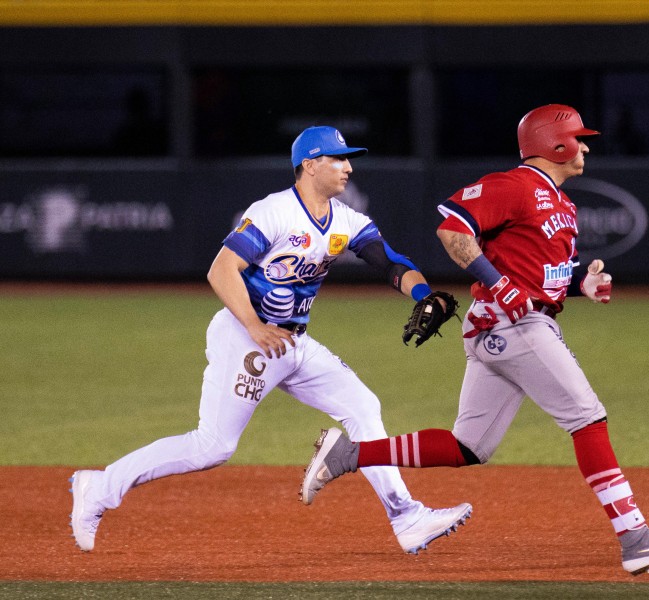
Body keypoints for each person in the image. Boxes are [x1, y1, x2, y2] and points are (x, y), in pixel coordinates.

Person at [300, 105, 649, 576]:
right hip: (515, 326)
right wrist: (498, 282)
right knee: (587, 418)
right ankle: (635, 537)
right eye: (578, 137)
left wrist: (581, 285)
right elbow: (452, 228)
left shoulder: (562, 203)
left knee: (467, 447)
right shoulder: (514, 185)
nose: (585, 146)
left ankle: (349, 454)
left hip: (505, 327)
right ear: (555, 144)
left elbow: (543, 273)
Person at [69, 125, 471, 555]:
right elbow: (221, 269)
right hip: (247, 337)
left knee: (363, 407)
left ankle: (405, 516)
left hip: (294, 342)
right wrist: (253, 326)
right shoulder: (273, 212)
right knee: (213, 446)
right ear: (310, 165)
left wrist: (424, 294)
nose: (348, 167)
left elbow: (389, 261)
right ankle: (99, 486)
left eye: (348, 158)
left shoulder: (346, 220)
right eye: (338, 158)